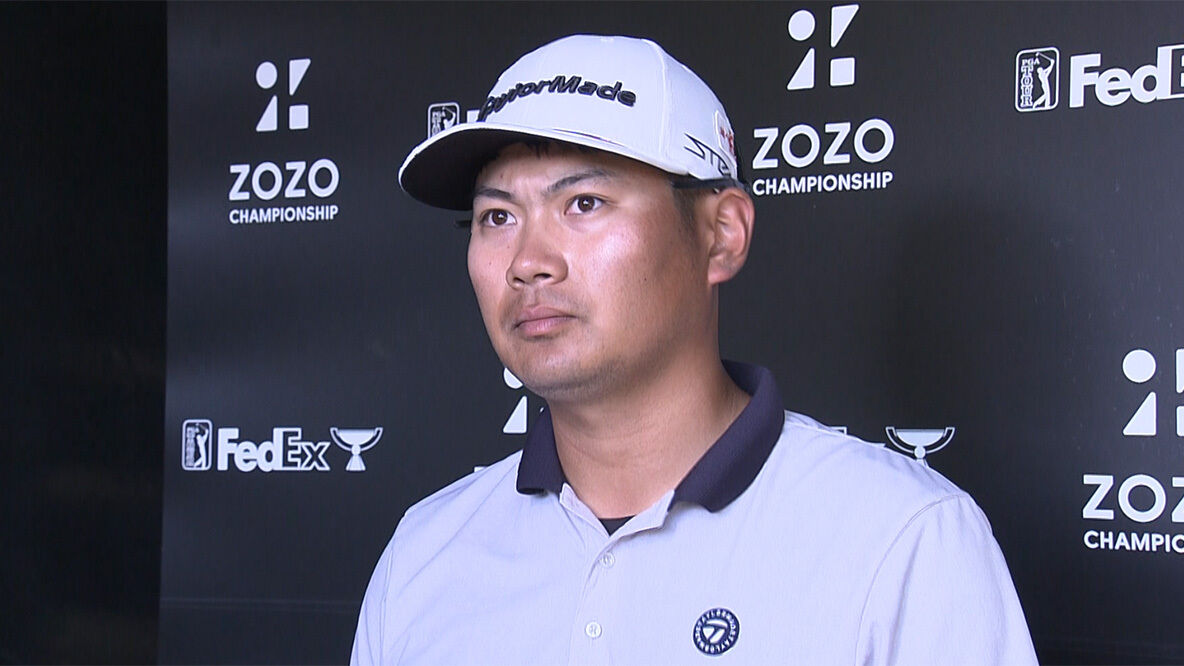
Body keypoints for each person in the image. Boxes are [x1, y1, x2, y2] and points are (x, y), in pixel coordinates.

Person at [352, 34, 1037, 664]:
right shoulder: (424, 554)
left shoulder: (903, 540)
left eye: (584, 203)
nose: (528, 262)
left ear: (721, 235)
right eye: (497, 216)